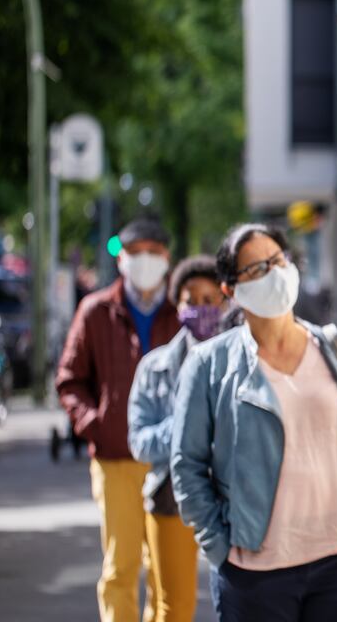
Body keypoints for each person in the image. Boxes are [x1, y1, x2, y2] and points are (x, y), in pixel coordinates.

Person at [170, 223, 337, 622]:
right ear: (230, 290)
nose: (273, 273)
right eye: (256, 269)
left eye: (277, 260)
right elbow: (186, 466)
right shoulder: (208, 365)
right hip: (253, 571)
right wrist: (219, 545)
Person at [56, 217, 180, 622]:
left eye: (153, 252)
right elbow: (70, 379)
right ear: (122, 259)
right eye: (135, 252)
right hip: (115, 461)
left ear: (167, 257)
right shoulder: (95, 311)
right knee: (121, 566)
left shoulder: (182, 312)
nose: (144, 260)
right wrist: (96, 424)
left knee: (167, 570)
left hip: (169, 460)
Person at [128, 255, 227, 622]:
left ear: (225, 300)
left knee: (238, 604)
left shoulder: (244, 361)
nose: (200, 308)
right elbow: (140, 443)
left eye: (209, 300)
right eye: (191, 300)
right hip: (171, 496)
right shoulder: (154, 368)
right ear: (177, 303)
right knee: (174, 607)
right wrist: (189, 424)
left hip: (233, 500)